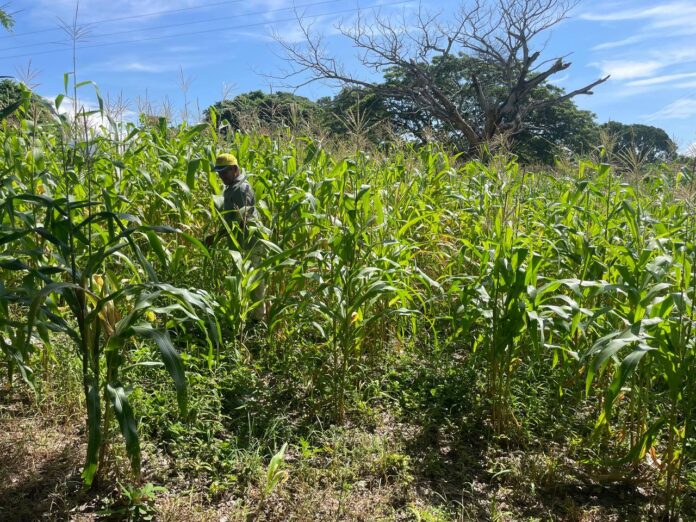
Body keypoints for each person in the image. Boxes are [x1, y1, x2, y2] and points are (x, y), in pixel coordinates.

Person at [207, 153, 266, 322]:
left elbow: (242, 221)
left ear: (234, 169)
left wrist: (216, 236)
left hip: (251, 242)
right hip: (241, 242)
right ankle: (246, 316)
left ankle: (258, 320)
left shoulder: (241, 188)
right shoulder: (232, 187)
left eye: (224, 172)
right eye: (219, 173)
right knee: (244, 280)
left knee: (255, 281)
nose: (221, 176)